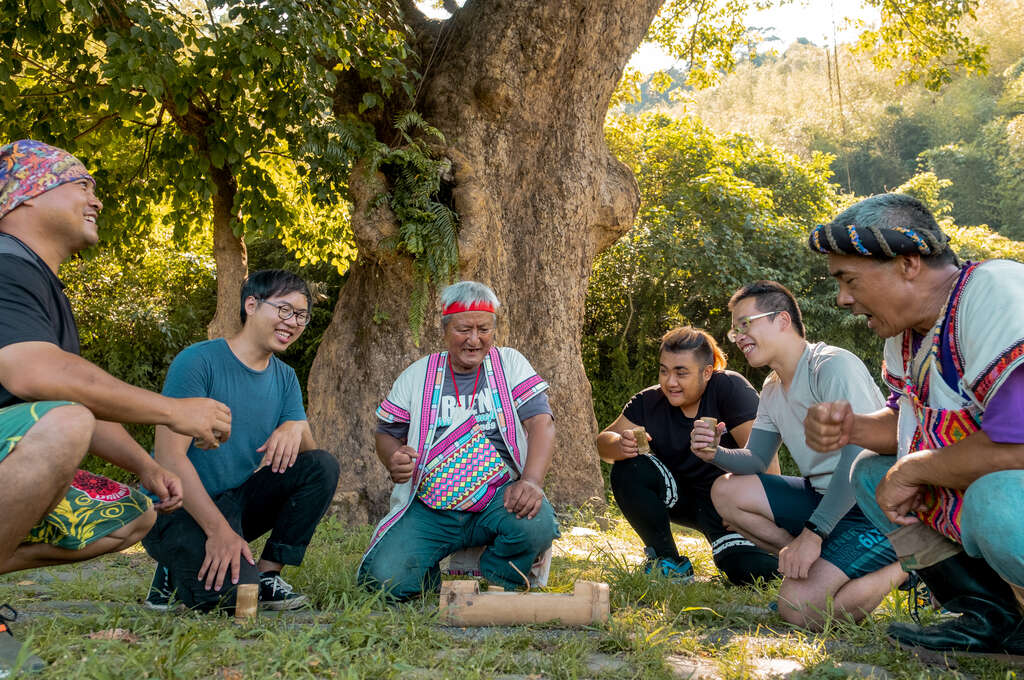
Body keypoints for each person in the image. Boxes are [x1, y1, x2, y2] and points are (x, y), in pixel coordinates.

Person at [0, 140, 230, 671]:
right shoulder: (5, 267)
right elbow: (36, 376)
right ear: (26, 197)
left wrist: (147, 465)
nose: (96, 199)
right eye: (81, 184)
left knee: (130, 516)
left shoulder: (39, 282)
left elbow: (63, 393)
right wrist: (174, 411)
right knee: (63, 422)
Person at [804, 193, 1024, 657]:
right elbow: (909, 428)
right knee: (869, 471)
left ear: (908, 264)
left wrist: (913, 470)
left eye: (849, 280)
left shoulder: (997, 294)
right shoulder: (907, 333)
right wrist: (851, 428)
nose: (843, 299)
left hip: (1008, 479)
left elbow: (1018, 446)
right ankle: (989, 616)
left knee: (994, 500)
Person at [690, 281, 905, 629]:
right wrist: (714, 453)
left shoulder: (831, 366)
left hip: (875, 505)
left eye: (745, 323)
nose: (738, 335)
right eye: (734, 329)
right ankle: (811, 565)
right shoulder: (773, 388)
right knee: (726, 490)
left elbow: (860, 453)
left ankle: (911, 565)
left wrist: (813, 534)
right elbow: (756, 460)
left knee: (799, 612)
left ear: (782, 320)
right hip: (823, 499)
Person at [141, 270, 340, 612]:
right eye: (284, 310)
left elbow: (310, 458)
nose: (293, 322)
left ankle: (267, 573)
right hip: (173, 506)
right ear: (251, 304)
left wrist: (294, 425)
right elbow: (169, 459)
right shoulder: (199, 361)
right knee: (232, 601)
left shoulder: (285, 377)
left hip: (235, 502)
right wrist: (218, 532)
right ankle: (171, 569)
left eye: (302, 315)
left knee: (323, 466)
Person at [359, 281, 559, 600]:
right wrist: (393, 458)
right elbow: (386, 432)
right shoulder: (417, 375)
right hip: (431, 505)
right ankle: (427, 578)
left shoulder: (510, 364)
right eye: (464, 329)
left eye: (484, 329)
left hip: (498, 497)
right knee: (383, 580)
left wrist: (532, 482)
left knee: (536, 523)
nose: (474, 339)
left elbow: (541, 423)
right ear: (445, 329)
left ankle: (500, 580)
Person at [596, 326, 779, 585]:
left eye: (681, 372)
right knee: (630, 467)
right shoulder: (648, 401)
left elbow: (764, 457)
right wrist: (619, 445)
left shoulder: (729, 387)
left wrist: (760, 514)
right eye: (664, 370)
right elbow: (604, 442)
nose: (670, 382)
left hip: (729, 502)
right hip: (679, 497)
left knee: (749, 571)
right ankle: (667, 561)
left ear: (707, 372)